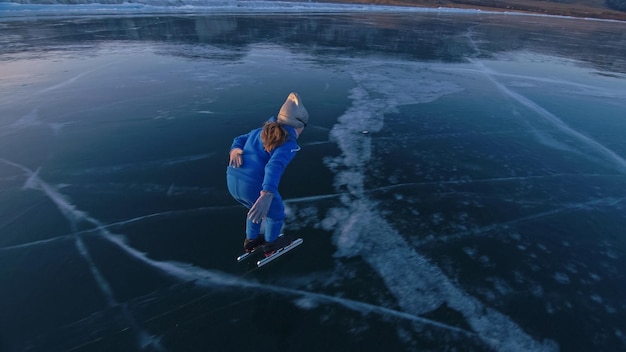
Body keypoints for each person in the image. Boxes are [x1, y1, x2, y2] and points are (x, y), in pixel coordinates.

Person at [226, 92, 309, 256]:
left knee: (253, 210)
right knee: (276, 214)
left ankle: (251, 241)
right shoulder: (288, 144)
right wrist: (267, 193)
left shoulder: (261, 131)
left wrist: (235, 149)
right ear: (298, 126)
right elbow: (274, 167)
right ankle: (272, 245)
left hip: (232, 179)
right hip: (253, 186)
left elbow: (240, 138)